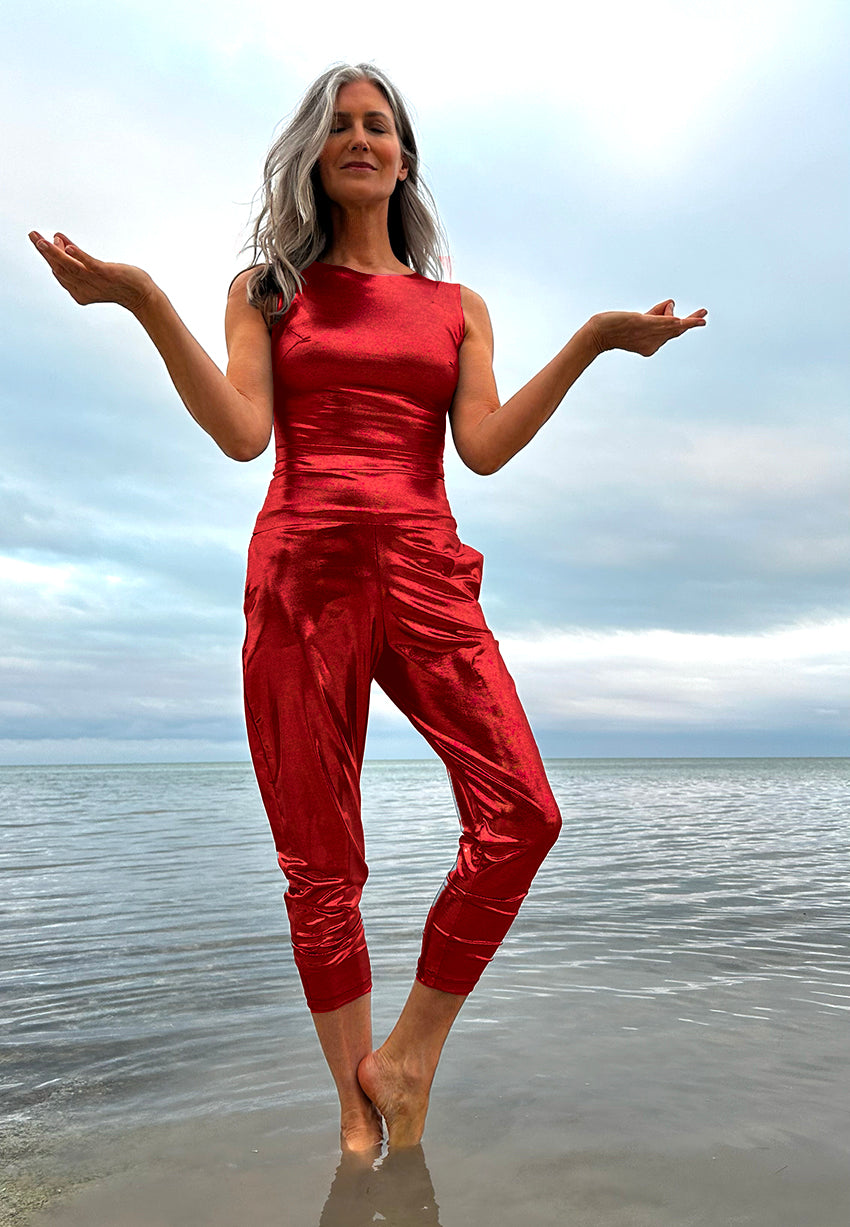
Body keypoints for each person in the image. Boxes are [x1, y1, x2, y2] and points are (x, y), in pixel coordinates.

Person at [28, 61, 707, 1154]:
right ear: (314, 151)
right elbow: (242, 434)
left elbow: (480, 448)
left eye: (377, 125)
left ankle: (409, 1059)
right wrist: (144, 301)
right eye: (340, 125)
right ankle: (356, 1119)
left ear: (402, 157)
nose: (359, 138)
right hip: (303, 573)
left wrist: (587, 341)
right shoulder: (269, 291)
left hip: (427, 574)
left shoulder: (455, 309)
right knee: (321, 861)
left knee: (523, 814)